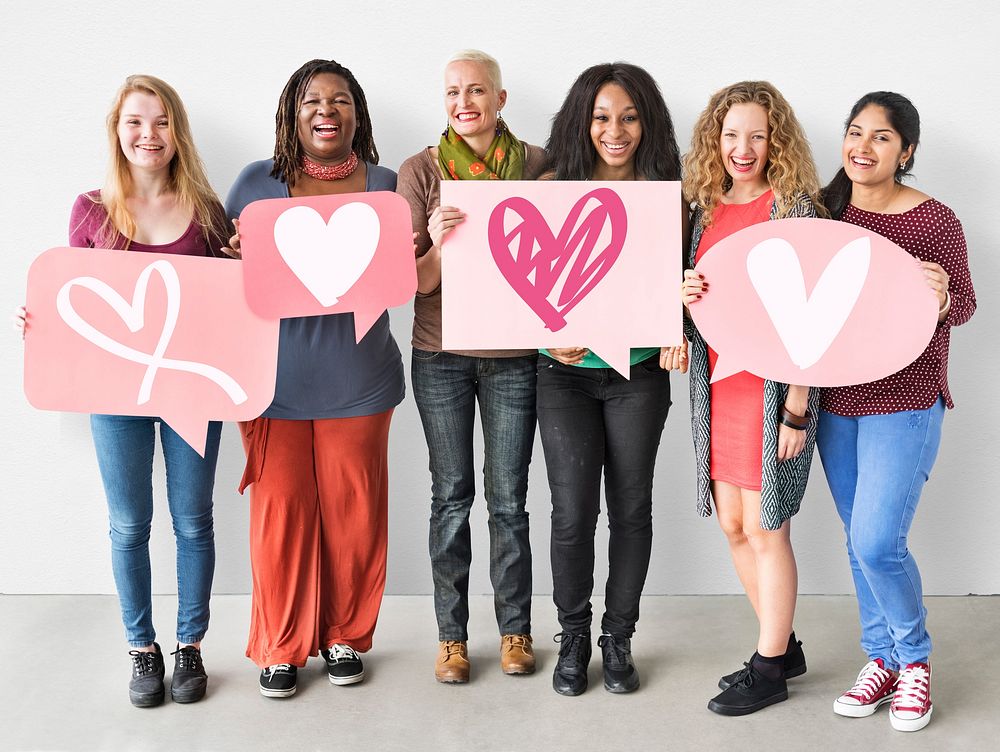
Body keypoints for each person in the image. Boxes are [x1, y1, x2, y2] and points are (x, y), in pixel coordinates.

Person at [15, 74, 229, 707]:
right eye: (136, 122)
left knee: (193, 523)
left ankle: (189, 645)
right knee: (129, 524)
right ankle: (143, 650)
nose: (149, 135)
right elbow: (77, 306)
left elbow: (231, 308)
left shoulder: (209, 211)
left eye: (161, 122)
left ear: (177, 132)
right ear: (117, 131)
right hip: (115, 395)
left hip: (192, 391)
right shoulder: (90, 210)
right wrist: (41, 320)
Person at [224, 59, 405, 698]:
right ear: (291, 115)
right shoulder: (255, 184)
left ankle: (344, 637)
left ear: (358, 114)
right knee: (280, 513)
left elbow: (415, 277)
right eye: (311, 102)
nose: (325, 111)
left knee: (354, 515)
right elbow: (214, 279)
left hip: (359, 381)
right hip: (270, 385)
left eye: (339, 100)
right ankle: (280, 644)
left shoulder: (387, 187)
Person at [818, 92, 975, 733]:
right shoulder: (824, 213)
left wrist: (940, 298)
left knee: (878, 540)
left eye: (881, 137)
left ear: (905, 151)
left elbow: (963, 303)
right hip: (834, 402)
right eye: (855, 132)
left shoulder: (935, 219)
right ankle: (880, 657)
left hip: (906, 399)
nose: (863, 146)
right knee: (860, 544)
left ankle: (914, 662)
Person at [396, 49, 546, 684]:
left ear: (501, 99)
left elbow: (551, 272)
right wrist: (434, 236)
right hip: (440, 356)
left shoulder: (539, 165)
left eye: (478, 90)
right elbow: (415, 284)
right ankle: (452, 639)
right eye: (454, 91)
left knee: (509, 500)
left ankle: (515, 632)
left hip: (515, 359)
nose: (466, 102)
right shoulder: (419, 171)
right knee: (451, 498)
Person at [679, 81, 823, 715]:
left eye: (757, 136)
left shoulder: (794, 209)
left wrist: (798, 406)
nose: (742, 148)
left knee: (769, 528)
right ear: (716, 139)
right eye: (731, 134)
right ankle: (781, 644)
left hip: (772, 394)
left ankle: (768, 670)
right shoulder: (703, 209)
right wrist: (679, 299)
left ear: (776, 141)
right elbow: (700, 304)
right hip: (716, 386)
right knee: (735, 525)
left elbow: (816, 321)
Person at [538, 62, 681, 696]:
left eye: (628, 116)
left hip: (639, 376)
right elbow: (522, 284)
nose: (615, 130)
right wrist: (546, 330)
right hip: (564, 375)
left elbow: (692, 286)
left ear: (647, 123)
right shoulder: (551, 188)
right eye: (601, 117)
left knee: (631, 509)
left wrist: (679, 329)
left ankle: (617, 638)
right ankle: (572, 636)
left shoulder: (674, 195)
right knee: (571, 514)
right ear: (581, 122)